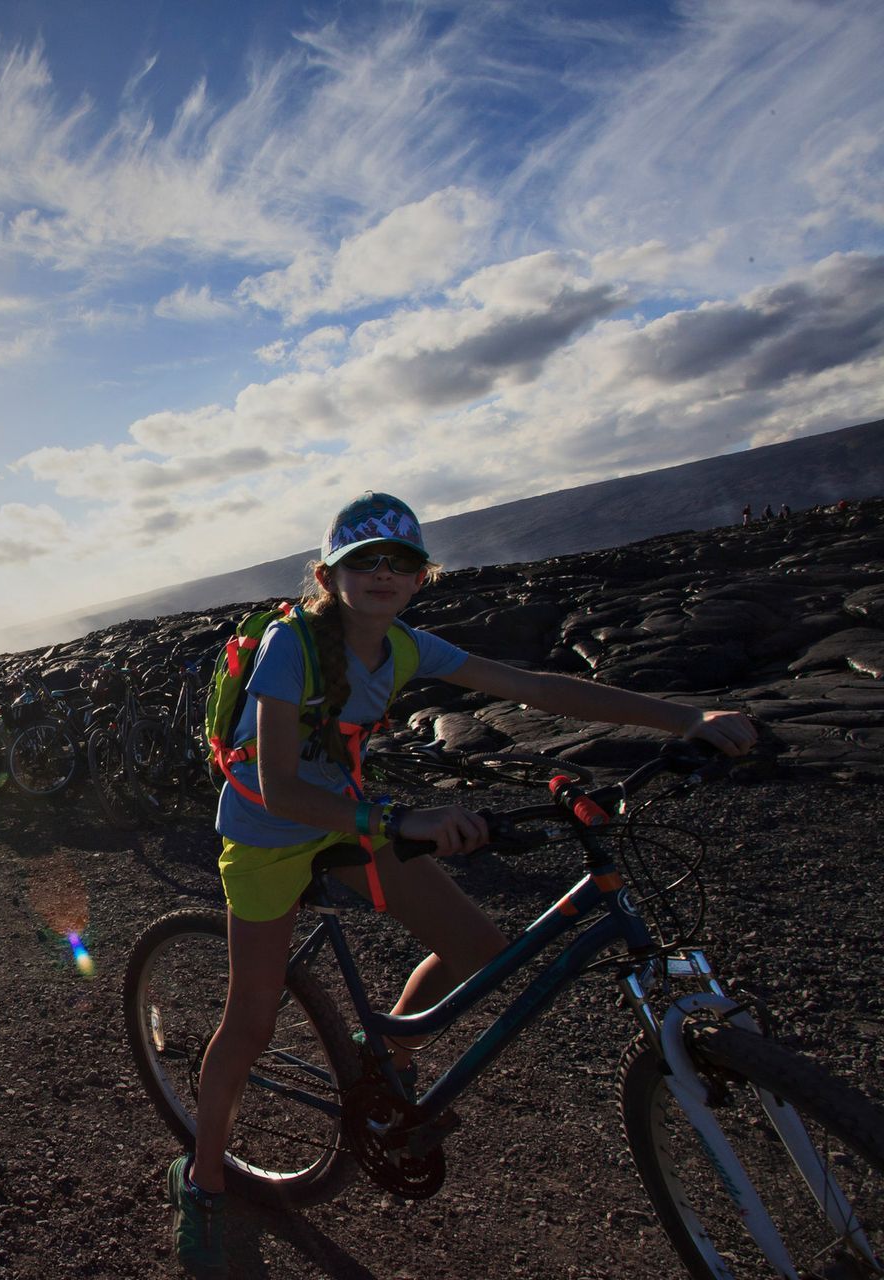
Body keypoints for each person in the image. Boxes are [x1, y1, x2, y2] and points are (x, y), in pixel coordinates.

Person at [168, 491, 757, 1271]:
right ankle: (203, 1178)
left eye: (400, 562)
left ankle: (390, 1052)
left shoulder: (406, 647)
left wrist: (685, 719)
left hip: (354, 815)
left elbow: (536, 688)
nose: (383, 573)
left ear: (421, 578)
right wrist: (395, 823)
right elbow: (280, 788)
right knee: (251, 1024)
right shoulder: (291, 646)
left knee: (479, 946)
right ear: (327, 575)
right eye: (363, 561)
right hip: (269, 836)